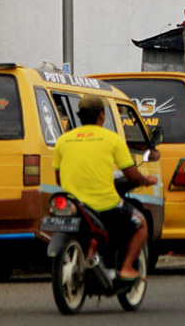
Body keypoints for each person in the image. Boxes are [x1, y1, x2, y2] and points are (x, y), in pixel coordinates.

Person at [52, 94, 158, 281]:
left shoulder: (63, 140)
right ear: (102, 115)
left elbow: (59, 180)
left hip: (74, 205)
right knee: (141, 223)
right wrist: (146, 180)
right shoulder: (113, 139)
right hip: (105, 206)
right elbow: (131, 175)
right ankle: (126, 268)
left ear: (80, 116)